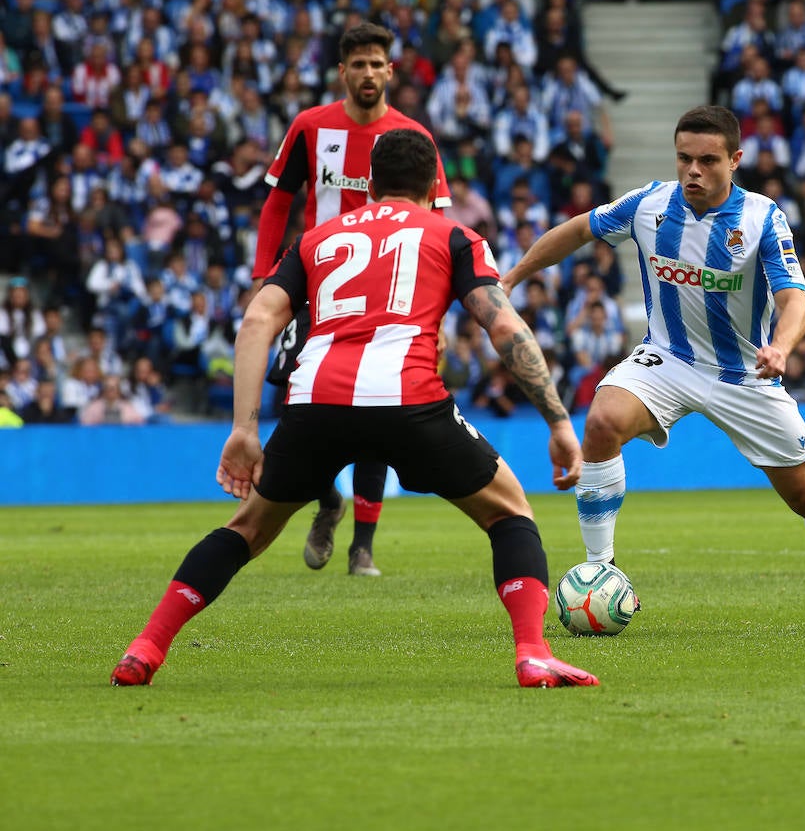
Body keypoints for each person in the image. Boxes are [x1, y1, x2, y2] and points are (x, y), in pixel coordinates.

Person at [111, 128, 597, 689]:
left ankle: (145, 648)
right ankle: (533, 654)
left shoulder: (317, 238)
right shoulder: (456, 236)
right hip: (410, 401)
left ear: (368, 182)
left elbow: (256, 320)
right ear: (433, 183)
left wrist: (244, 428)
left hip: (315, 400)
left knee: (246, 531)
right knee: (511, 515)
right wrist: (559, 421)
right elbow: (504, 326)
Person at [500, 106, 805, 632]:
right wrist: (509, 280)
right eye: (685, 159)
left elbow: (795, 303)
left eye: (708, 160)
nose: (693, 170)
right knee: (601, 422)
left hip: (745, 375)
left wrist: (781, 348)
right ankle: (602, 569)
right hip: (666, 358)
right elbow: (579, 230)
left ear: (735, 160)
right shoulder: (649, 204)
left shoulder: (763, 218)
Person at [253, 22, 453, 577]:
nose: (368, 73)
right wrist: (265, 277)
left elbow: (433, 222)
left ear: (392, 70)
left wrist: (431, 302)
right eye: (357, 64)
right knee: (293, 405)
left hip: (389, 298)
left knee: (375, 409)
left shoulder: (413, 138)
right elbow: (278, 203)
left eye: (377, 64)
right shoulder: (311, 127)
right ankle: (327, 501)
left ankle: (363, 545)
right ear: (342, 72)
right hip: (319, 290)